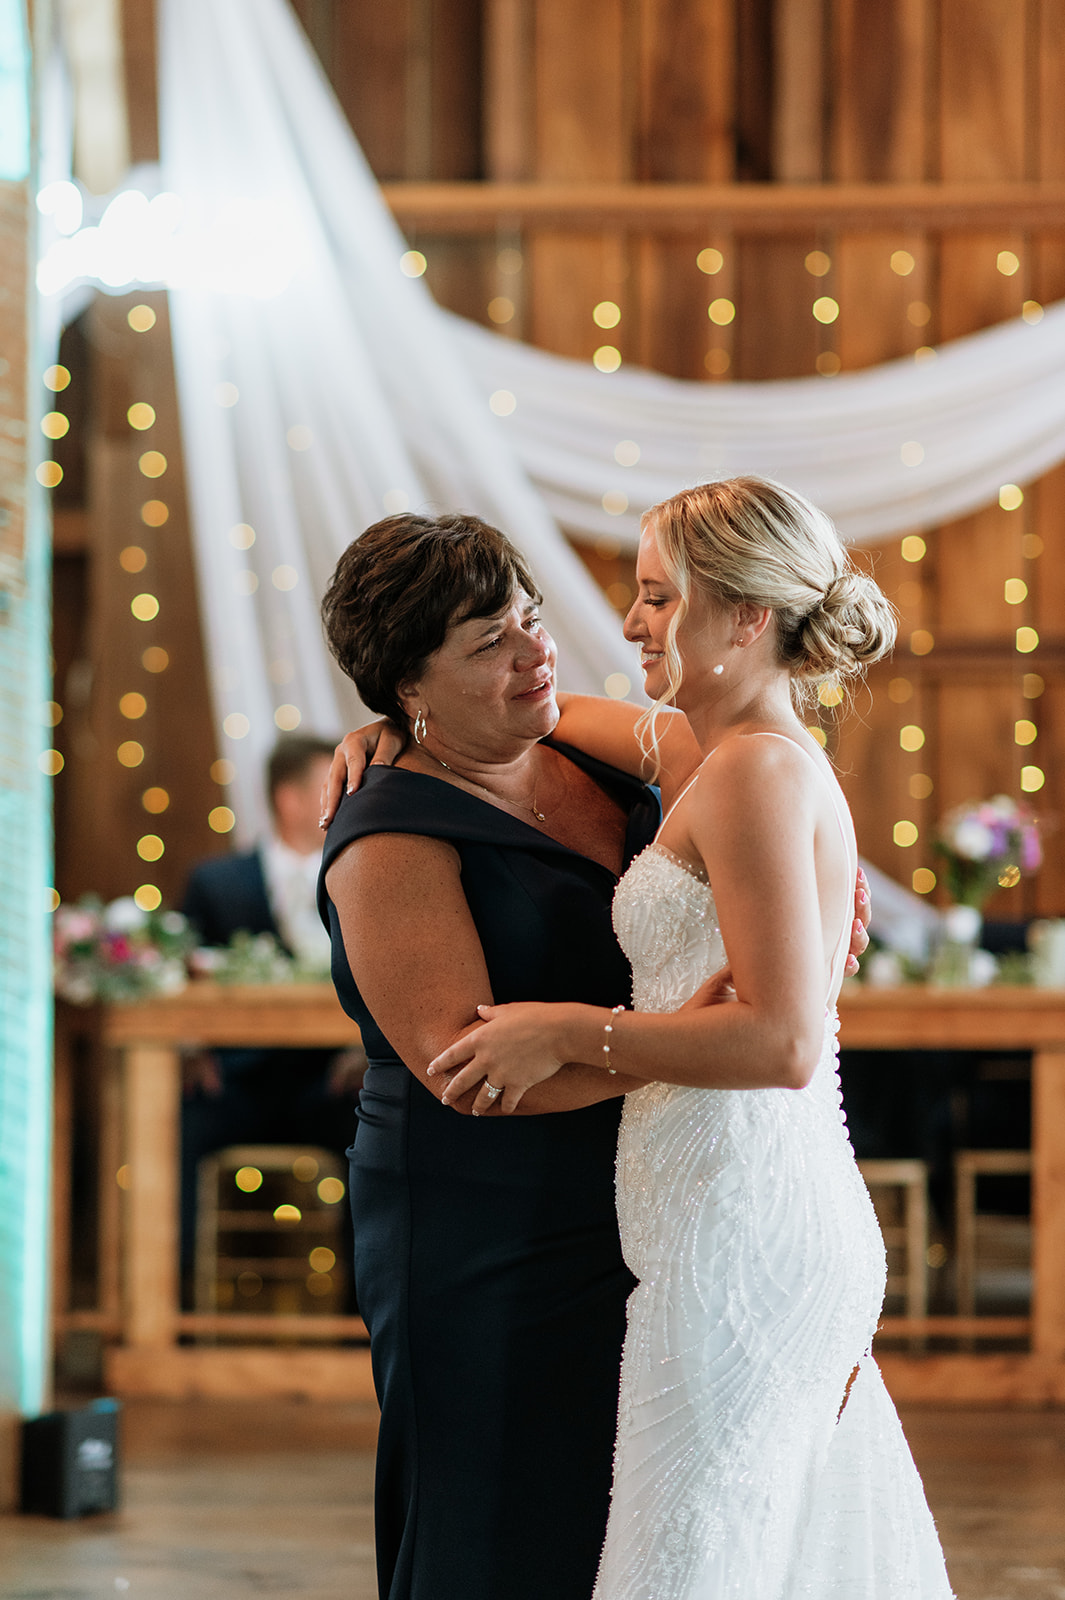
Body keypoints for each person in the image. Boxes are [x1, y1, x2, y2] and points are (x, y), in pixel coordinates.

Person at [316, 509, 872, 1600]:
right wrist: (703, 1041)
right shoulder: (391, 835)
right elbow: (475, 1071)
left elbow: (747, 775)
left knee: (625, 1519)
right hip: (482, 1218)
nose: (537, 650)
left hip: (643, 1200)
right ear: (408, 692)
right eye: (489, 644)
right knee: (495, 1520)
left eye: (528, 617)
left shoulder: (591, 751)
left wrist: (803, 909)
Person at [428, 478, 954, 1597]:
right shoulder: (707, 753)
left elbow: (783, 1043)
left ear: (747, 617)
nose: (628, 624)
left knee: (689, 1560)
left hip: (743, 1232)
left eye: (658, 597)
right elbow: (548, 716)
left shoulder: (758, 771)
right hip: (713, 1217)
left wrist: (566, 1028)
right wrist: (400, 721)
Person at [181, 735, 364, 1289]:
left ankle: (365, 1312)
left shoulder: (363, 874)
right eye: (331, 782)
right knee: (179, 1132)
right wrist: (192, 1051)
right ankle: (182, 1299)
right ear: (289, 799)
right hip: (236, 1080)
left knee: (388, 1134)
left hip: (332, 1082)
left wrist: (362, 1053)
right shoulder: (215, 883)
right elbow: (181, 981)